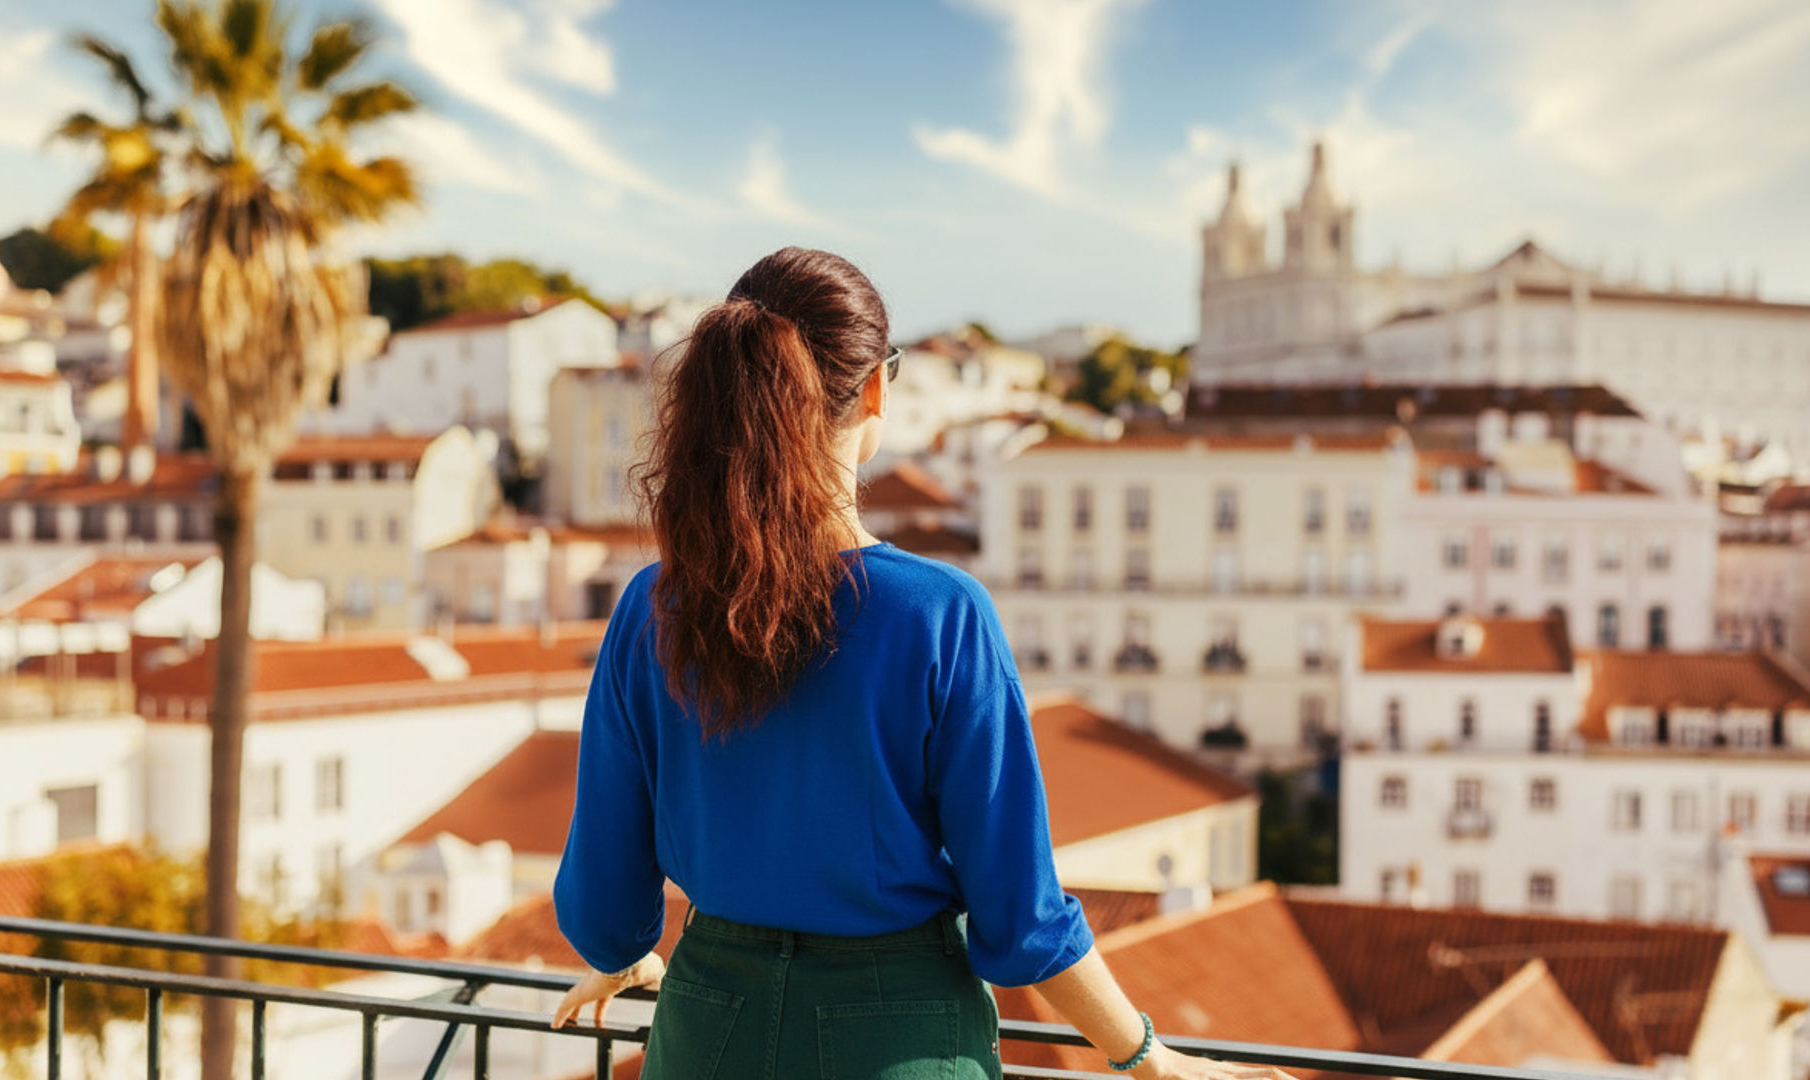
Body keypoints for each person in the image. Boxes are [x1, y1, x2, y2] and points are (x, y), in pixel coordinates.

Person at [550, 247, 1294, 1080]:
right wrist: (1152, 1057)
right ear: (875, 388)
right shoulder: (939, 613)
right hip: (893, 1037)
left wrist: (633, 955)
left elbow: (602, 906)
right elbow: (1020, 915)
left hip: (706, 1032)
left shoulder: (651, 608)